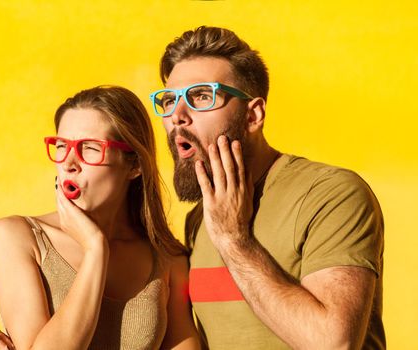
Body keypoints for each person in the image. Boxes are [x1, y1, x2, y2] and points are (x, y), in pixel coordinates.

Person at [148, 26, 385, 349]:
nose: (177, 116)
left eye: (201, 96)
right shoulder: (200, 217)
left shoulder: (330, 194)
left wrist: (235, 240)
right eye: (169, 100)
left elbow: (333, 344)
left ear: (253, 115)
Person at [0, 86, 201, 349]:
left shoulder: (168, 259)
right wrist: (95, 249)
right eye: (62, 146)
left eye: (89, 148)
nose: (69, 163)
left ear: (134, 165)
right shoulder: (16, 237)